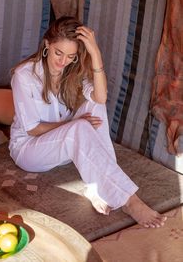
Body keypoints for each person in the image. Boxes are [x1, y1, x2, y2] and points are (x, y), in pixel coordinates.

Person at [9, 16, 167, 228]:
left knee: (95, 107)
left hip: (66, 144)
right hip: (30, 150)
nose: (62, 61)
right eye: (58, 53)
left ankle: (96, 187)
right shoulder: (24, 75)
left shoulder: (71, 71)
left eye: (70, 56)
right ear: (47, 45)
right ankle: (129, 201)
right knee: (80, 126)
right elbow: (33, 129)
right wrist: (74, 126)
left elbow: (101, 98)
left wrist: (95, 53)